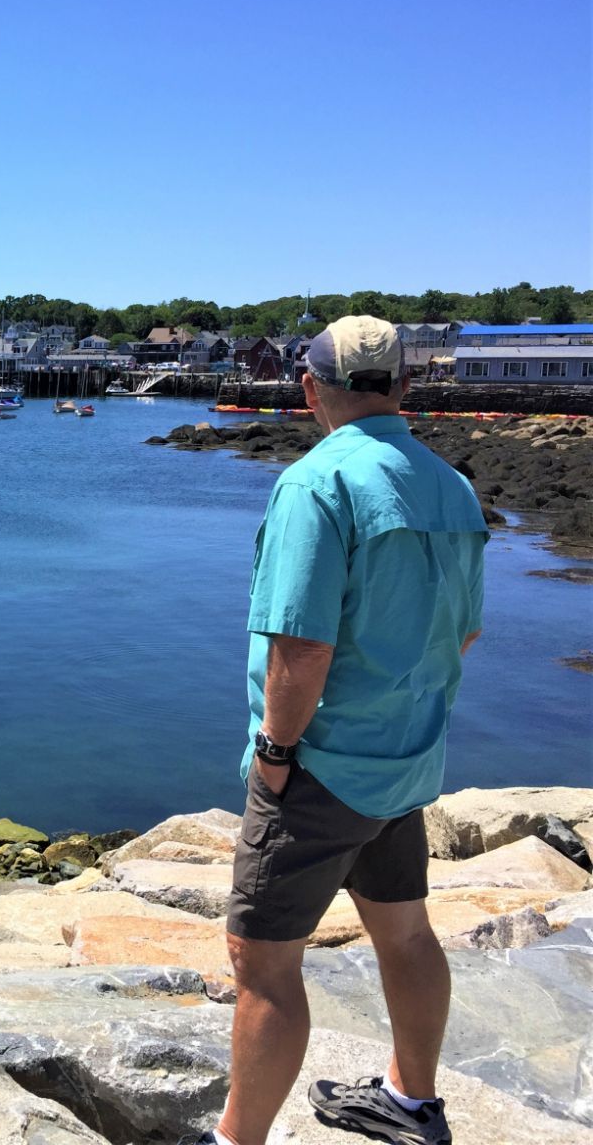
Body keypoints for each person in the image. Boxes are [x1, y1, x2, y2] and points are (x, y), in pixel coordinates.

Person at [191, 316, 488, 1145]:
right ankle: (411, 1102)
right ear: (405, 386)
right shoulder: (452, 487)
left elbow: (302, 647)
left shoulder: (315, 485)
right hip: (405, 759)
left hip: (321, 768)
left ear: (309, 388)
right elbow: (464, 632)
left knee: (262, 963)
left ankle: (235, 1139)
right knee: (405, 931)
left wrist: (275, 756)